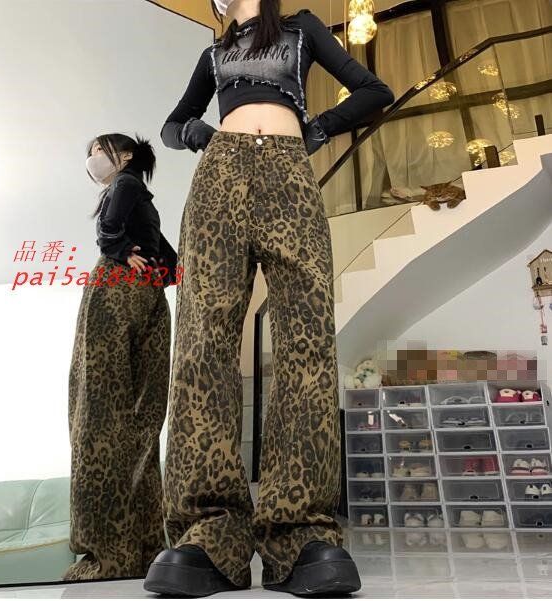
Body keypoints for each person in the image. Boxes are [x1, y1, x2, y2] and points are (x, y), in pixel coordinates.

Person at [145, 0, 395, 596]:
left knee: (307, 343)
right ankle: (208, 534)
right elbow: (172, 125)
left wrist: (317, 128)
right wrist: (194, 133)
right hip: (219, 178)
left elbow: (374, 91)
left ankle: (300, 532)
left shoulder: (302, 29)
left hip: (289, 173)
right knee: (202, 343)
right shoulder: (214, 53)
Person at [63, 133, 178, 581]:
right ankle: (144, 547)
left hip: (117, 289)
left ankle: (109, 554)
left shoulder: (126, 186)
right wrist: (157, 269)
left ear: (125, 155)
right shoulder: (137, 193)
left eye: (97, 150)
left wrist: (118, 249)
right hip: (144, 295)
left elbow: (110, 230)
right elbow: (164, 254)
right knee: (142, 421)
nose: (91, 158)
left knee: (99, 414)